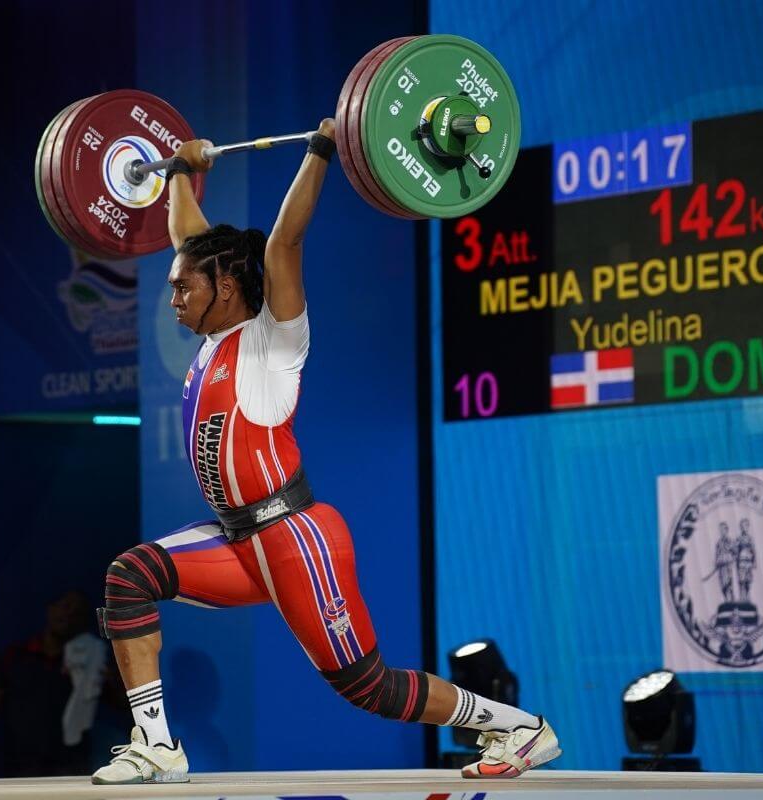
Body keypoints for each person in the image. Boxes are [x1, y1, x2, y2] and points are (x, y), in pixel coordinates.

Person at [90, 120, 560, 784]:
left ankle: (519, 726)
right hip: (238, 542)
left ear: (224, 288)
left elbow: (285, 241)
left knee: (369, 687)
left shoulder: (273, 341)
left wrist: (320, 150)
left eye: (181, 286)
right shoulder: (212, 334)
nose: (172, 295)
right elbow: (187, 238)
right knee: (128, 577)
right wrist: (177, 172)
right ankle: (157, 745)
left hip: (293, 538)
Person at [0, 590, 109, 777]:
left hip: (72, 771)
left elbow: (122, 703)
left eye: (78, 612)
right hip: (20, 771)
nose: (69, 614)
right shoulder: (15, 657)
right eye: (65, 606)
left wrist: (107, 678)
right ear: (50, 609)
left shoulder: (91, 662)